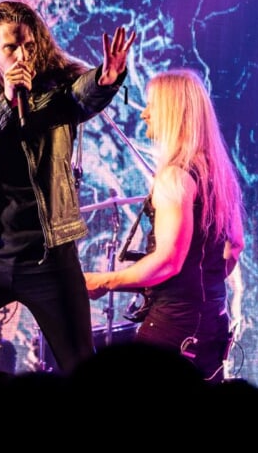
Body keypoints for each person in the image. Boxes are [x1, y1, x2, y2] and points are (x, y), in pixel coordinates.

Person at [0, 0, 135, 374]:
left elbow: (82, 93)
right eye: (11, 47)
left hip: (49, 260)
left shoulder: (58, 87)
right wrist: (4, 102)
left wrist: (106, 78)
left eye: (29, 46)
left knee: (83, 370)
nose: (22, 56)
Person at [84, 68, 245, 382]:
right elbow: (235, 246)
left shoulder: (175, 176)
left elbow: (168, 261)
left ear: (173, 113)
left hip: (174, 326)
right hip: (213, 322)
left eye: (152, 106)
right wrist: (203, 286)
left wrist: (104, 281)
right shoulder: (217, 171)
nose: (144, 114)